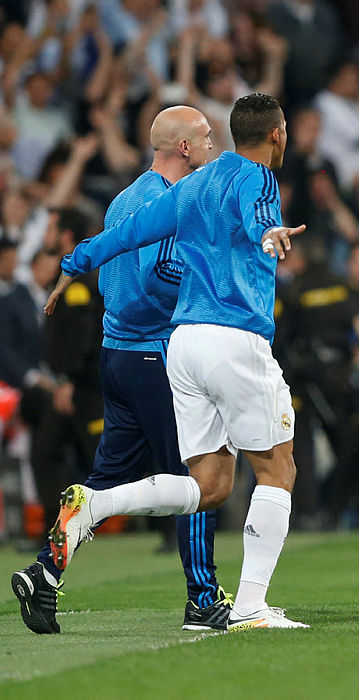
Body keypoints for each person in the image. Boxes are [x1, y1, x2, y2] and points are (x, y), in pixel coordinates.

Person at [40, 93, 310, 629]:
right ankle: (251, 606)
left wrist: (74, 261)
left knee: (209, 485)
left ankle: (96, 506)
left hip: (182, 345)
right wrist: (269, 232)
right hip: (234, 338)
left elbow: (131, 232)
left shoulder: (193, 186)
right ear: (277, 135)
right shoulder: (258, 177)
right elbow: (258, 214)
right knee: (278, 468)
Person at [11, 106, 233, 635]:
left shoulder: (124, 199)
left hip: (118, 355)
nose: (213, 144)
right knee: (196, 478)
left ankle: (44, 573)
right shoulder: (167, 200)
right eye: (205, 136)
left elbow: (116, 280)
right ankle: (203, 598)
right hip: (156, 356)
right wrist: (215, 285)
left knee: (104, 485)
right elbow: (159, 276)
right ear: (183, 147)